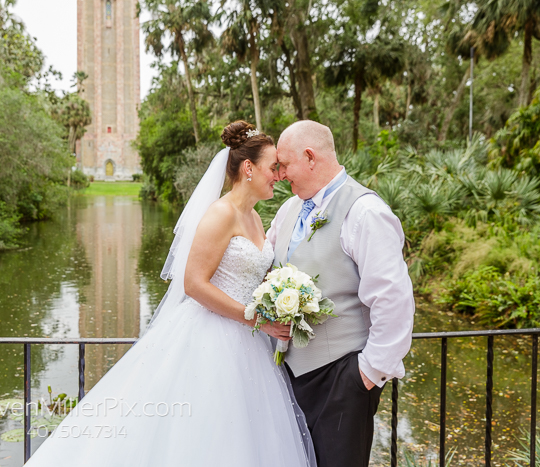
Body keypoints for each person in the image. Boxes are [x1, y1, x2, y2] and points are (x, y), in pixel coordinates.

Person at [23, 121, 316, 467]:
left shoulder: (254, 218)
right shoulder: (221, 214)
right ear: (249, 168)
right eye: (273, 167)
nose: (279, 175)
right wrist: (255, 318)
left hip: (249, 345)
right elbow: (194, 284)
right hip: (213, 340)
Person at [267, 120, 415, 467]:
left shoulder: (366, 212)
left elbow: (392, 300)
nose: (281, 174)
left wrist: (366, 374)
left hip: (343, 378)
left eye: (285, 164)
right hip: (288, 374)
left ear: (310, 157)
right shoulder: (288, 210)